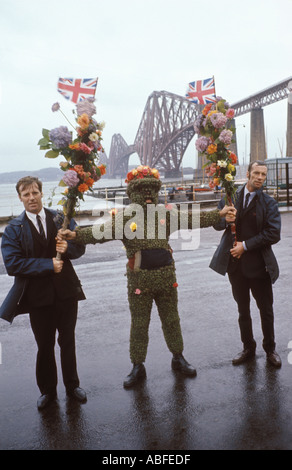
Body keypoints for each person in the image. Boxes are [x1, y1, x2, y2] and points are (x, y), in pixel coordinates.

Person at [59, 165, 236, 388]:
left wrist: (218, 214)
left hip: (166, 277)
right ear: (133, 192)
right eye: (143, 190)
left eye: (152, 189)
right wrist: (75, 234)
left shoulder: (165, 214)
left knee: (172, 319)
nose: (148, 194)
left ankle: (178, 357)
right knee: (139, 324)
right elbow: (99, 232)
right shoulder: (124, 219)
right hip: (139, 280)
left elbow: (191, 219)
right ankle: (137, 365)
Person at [0, 176, 87, 410]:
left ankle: (72, 386)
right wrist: (48, 265)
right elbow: (13, 264)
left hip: (67, 293)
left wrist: (68, 248)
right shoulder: (13, 230)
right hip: (38, 299)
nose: (31, 198)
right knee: (45, 345)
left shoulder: (61, 218)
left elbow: (81, 246)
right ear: (20, 198)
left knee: (68, 341)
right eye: (26, 194)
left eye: (35, 193)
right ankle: (48, 391)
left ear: (41, 193)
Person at [210, 161, 282, 368]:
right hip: (236, 267)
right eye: (256, 173)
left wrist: (246, 246)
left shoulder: (269, 203)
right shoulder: (229, 198)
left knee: (266, 310)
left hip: (259, 265)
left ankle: (270, 349)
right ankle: (248, 348)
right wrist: (225, 218)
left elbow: (273, 233)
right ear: (248, 173)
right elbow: (217, 224)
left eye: (263, 174)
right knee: (243, 310)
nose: (260, 177)